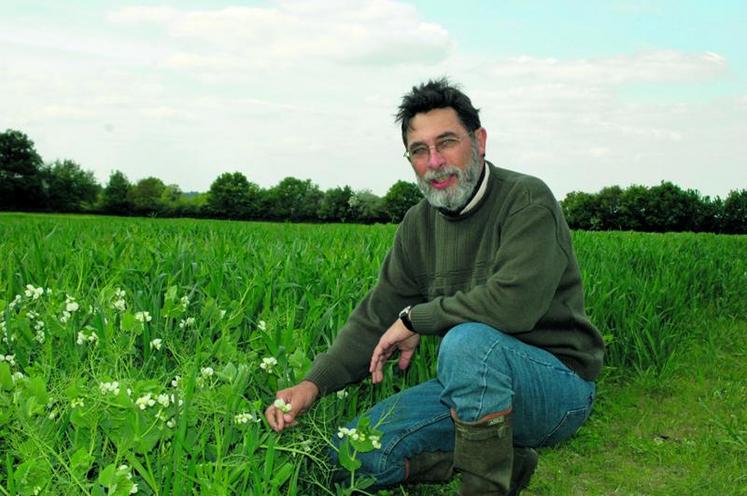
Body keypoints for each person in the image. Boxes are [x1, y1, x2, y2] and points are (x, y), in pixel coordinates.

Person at [265, 78, 604, 495]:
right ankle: (504, 459)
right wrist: (312, 384)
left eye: (446, 143)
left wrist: (416, 319)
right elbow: (378, 315)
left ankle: (484, 487)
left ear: (479, 140)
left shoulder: (526, 200)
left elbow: (515, 303)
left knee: (466, 343)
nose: (434, 161)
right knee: (349, 454)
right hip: (470, 387)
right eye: (419, 151)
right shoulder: (418, 224)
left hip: (555, 386)